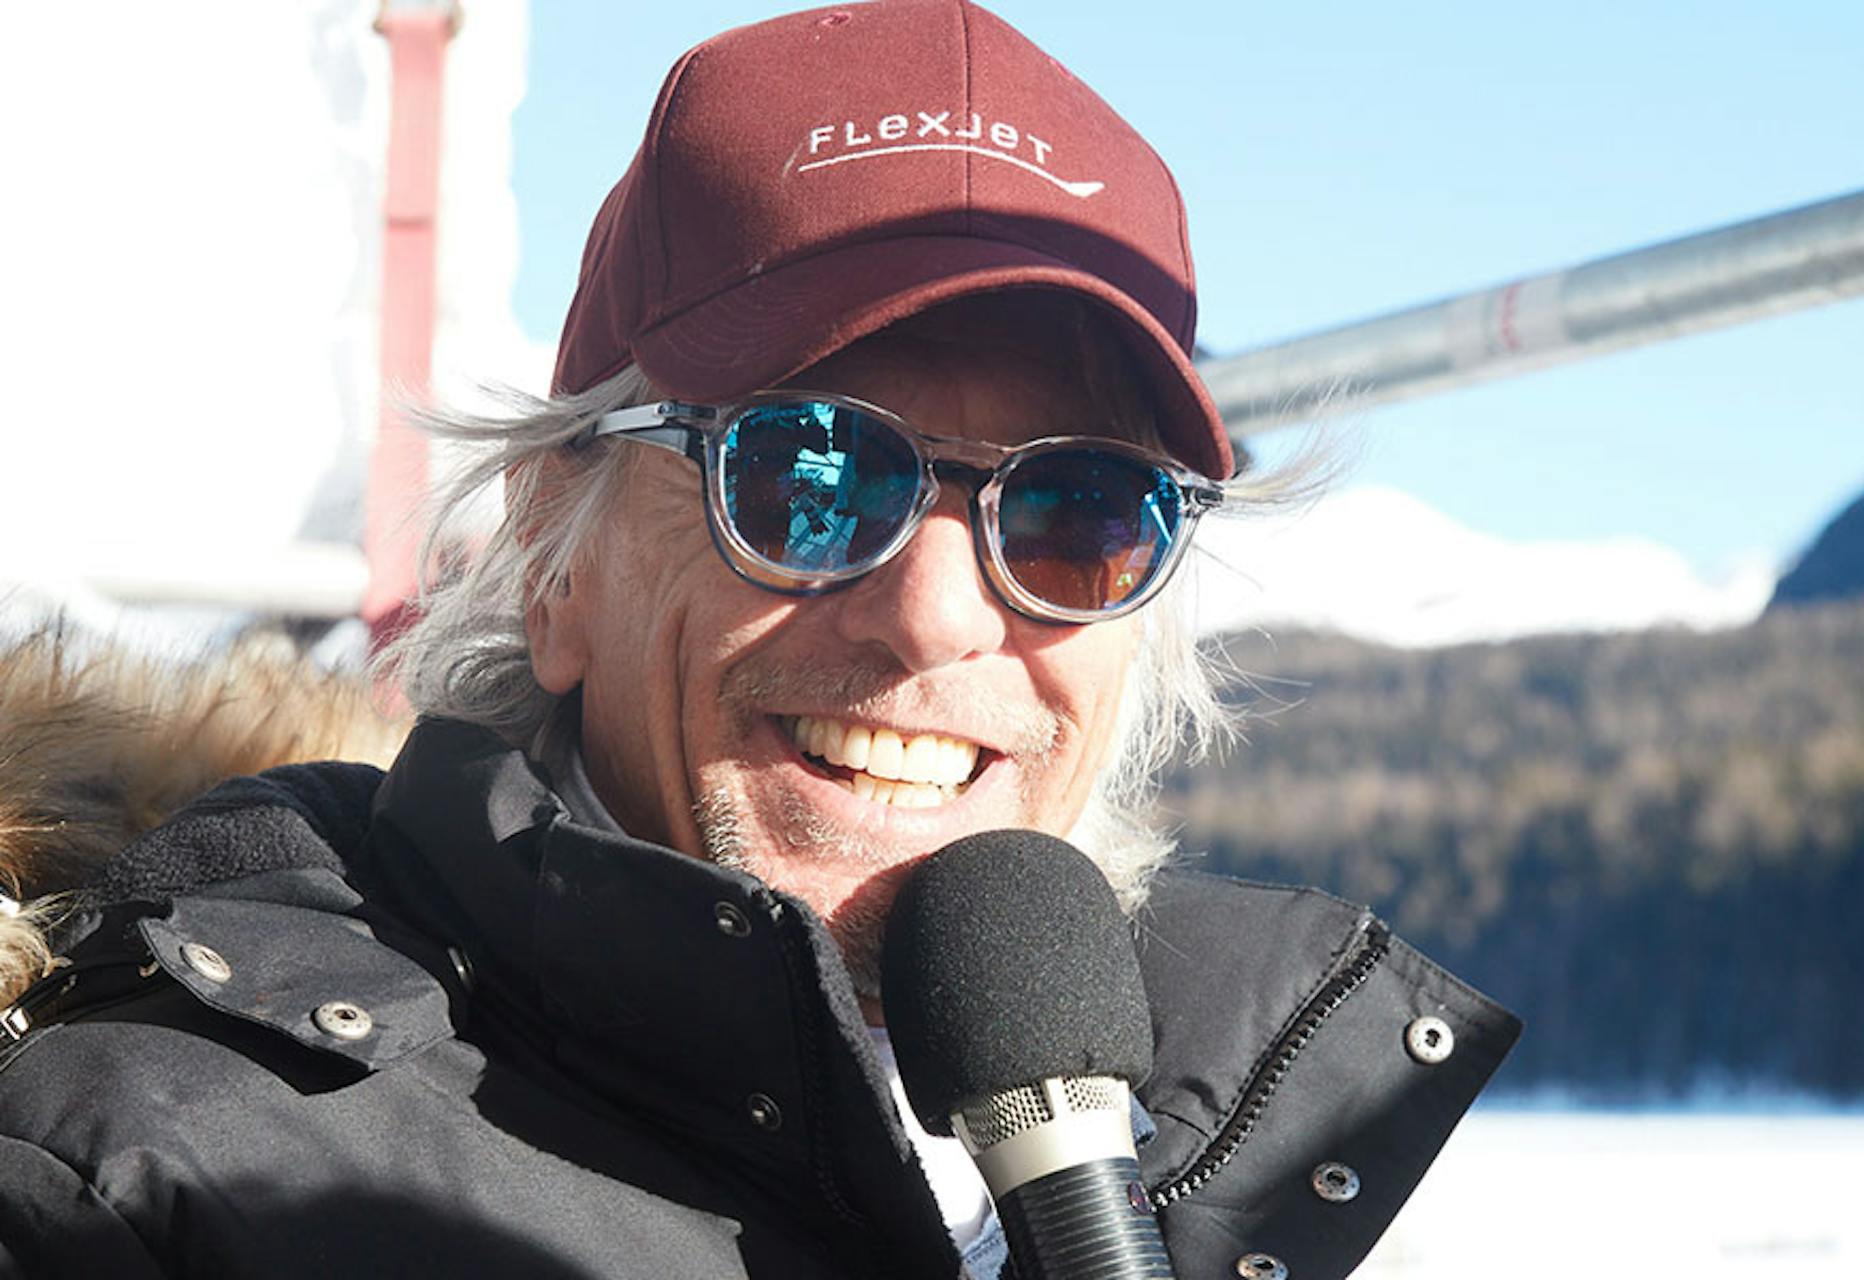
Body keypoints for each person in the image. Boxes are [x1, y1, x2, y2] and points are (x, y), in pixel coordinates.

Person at [0, 3, 1519, 1277]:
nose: (939, 614)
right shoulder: (158, 1193)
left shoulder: (1223, 1158)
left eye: (1076, 510)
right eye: (809, 476)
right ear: (553, 555)